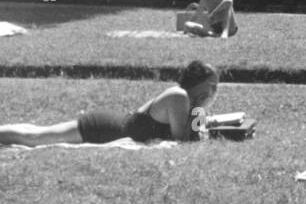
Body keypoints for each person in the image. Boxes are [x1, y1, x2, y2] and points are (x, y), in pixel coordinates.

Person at [0, 61, 220, 146]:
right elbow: (184, 139)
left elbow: (196, 134)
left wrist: (202, 108)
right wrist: (202, 108)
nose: (214, 91)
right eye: (211, 86)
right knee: (35, 138)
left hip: (115, 124)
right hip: (104, 128)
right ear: (197, 82)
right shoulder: (179, 96)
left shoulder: (189, 101)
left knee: (37, 133)